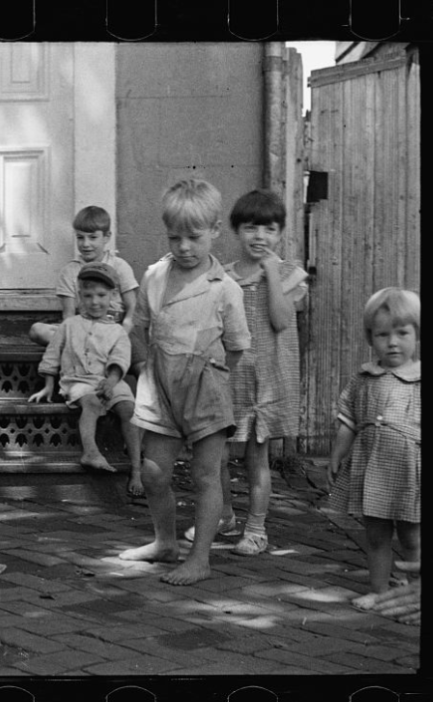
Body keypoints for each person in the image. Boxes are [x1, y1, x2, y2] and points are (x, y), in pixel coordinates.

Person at [118, 179, 251, 585]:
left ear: (215, 231)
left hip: (205, 389)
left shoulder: (224, 289)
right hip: (161, 387)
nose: (184, 247)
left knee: (205, 475)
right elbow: (140, 325)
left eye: (194, 237)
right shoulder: (155, 276)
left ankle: (200, 559)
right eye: (175, 237)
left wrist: (206, 373)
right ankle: (165, 542)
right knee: (154, 471)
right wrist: (147, 366)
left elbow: (236, 347)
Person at [184, 190, 309, 555]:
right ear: (237, 230)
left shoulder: (288, 275)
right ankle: (223, 516)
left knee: (257, 458)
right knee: (217, 456)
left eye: (269, 229)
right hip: (229, 378)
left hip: (267, 379)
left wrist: (271, 273)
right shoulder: (222, 276)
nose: (260, 237)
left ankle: (256, 528)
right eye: (251, 228)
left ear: (280, 234)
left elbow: (281, 320)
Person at [327, 287, 421, 610]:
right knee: (376, 535)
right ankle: (379, 591)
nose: (392, 342)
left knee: (412, 536)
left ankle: (414, 593)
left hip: (410, 474)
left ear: (417, 334)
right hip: (373, 471)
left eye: (402, 333)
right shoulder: (364, 379)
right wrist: (337, 453)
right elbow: (349, 420)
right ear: (370, 338)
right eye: (383, 335)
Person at [28, 262, 143, 488]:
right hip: (78, 380)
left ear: (112, 296)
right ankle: (90, 452)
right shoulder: (69, 325)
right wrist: (48, 384)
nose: (95, 302)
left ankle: (137, 470)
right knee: (91, 401)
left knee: (129, 410)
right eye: (88, 296)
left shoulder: (118, 331)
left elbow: (120, 359)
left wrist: (111, 382)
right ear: (80, 297)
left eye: (101, 295)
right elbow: (52, 354)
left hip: (111, 380)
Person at [29, 206, 142, 375]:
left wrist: (122, 333)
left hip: (116, 328)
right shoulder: (70, 271)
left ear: (107, 237)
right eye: (80, 237)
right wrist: (78, 337)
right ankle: (88, 353)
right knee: (37, 330)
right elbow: (68, 315)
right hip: (84, 330)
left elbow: (132, 308)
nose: (85, 244)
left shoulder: (119, 266)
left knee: (141, 362)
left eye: (93, 237)